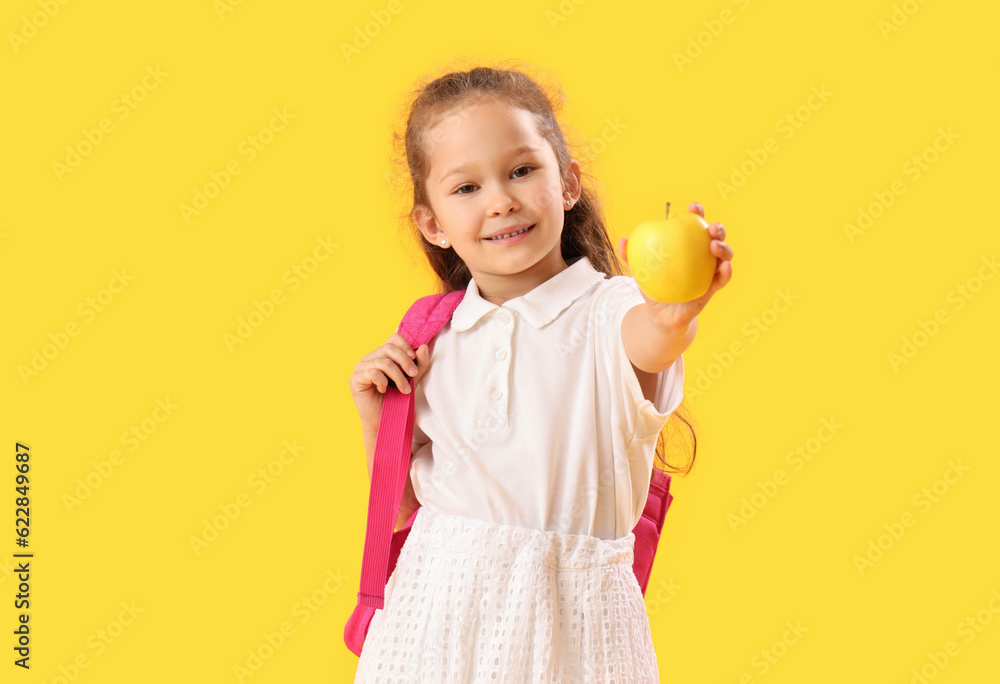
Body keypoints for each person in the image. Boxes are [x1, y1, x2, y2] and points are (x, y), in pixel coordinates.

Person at [349, 62, 734, 683]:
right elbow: (399, 513)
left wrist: (677, 308)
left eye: (522, 171)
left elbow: (653, 337)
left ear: (568, 184)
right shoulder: (432, 336)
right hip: (430, 627)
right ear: (432, 224)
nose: (500, 200)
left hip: (572, 635)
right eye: (466, 188)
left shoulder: (612, 311)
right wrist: (379, 421)